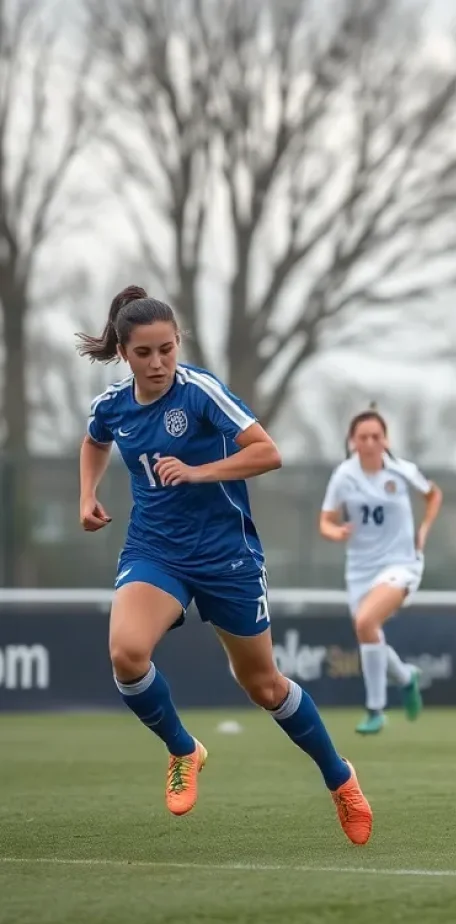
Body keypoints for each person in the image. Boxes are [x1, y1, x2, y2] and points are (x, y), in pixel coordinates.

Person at [77, 286, 372, 844]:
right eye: (145, 353)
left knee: (262, 685)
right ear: (123, 353)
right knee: (126, 654)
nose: (159, 362)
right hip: (155, 550)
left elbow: (268, 451)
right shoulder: (113, 405)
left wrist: (197, 472)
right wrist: (87, 494)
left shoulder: (200, 391)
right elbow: (94, 439)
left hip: (226, 556)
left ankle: (340, 779)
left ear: (178, 343)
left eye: (167, 348)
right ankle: (183, 749)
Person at [319, 408, 443, 735]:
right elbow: (325, 520)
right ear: (353, 442)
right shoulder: (344, 476)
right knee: (368, 632)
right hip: (359, 569)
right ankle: (406, 677)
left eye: (376, 436)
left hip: (401, 564)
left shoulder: (402, 471)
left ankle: (375, 709)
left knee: (365, 622)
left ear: (385, 440)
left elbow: (433, 495)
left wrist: (424, 530)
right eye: (364, 437)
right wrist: (335, 532)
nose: (371, 443)